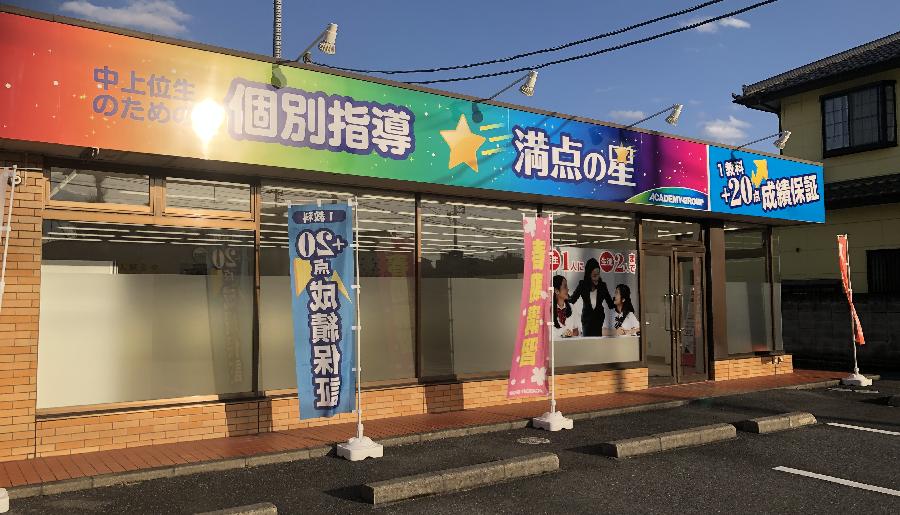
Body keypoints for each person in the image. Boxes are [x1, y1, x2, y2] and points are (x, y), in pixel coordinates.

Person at [568, 258, 614, 337]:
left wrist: (619, 299)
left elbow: (610, 304)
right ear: (589, 274)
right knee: (587, 342)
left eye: (598, 274)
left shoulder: (602, 286)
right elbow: (572, 300)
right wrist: (564, 296)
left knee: (598, 342)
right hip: (586, 321)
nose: (597, 278)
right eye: (594, 275)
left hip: (599, 320)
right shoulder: (582, 285)